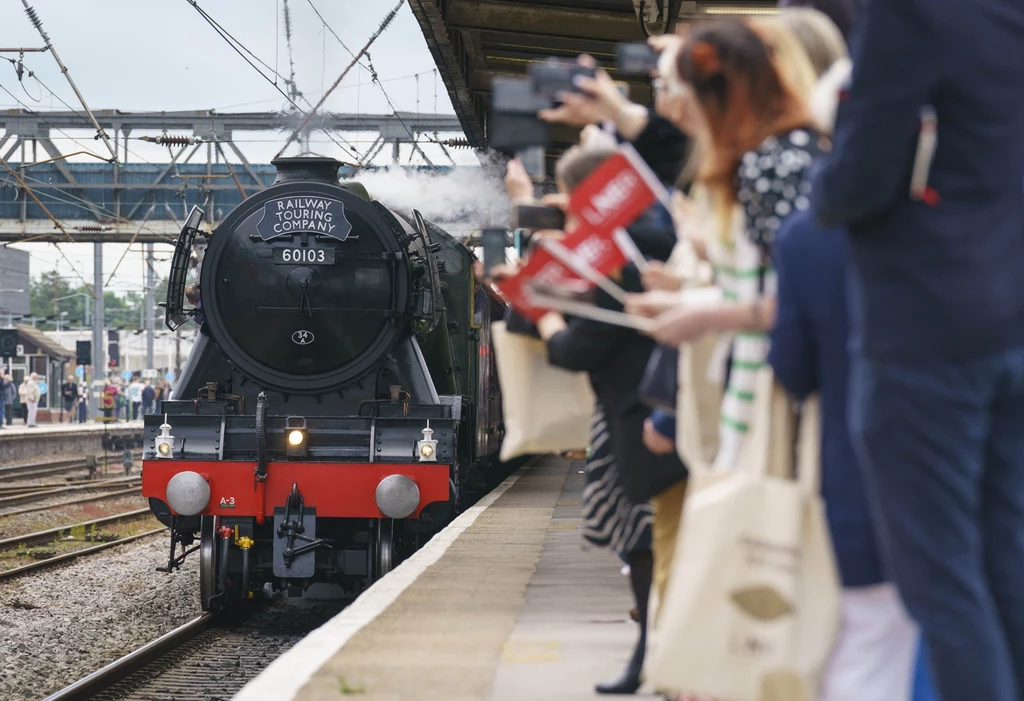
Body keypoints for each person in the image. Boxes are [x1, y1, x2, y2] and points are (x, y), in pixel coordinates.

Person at [811, 0, 1024, 699]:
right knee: (1006, 564)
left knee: (942, 581)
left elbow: (860, 177)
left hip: (923, 329)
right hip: (1007, 319)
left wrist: (826, 175)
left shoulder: (910, 11)